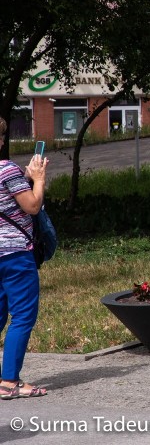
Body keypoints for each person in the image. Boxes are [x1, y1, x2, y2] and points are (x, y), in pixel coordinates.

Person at [0, 118, 49, 399]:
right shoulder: (6, 170)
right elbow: (31, 205)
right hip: (15, 255)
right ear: (1, 141)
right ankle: (9, 383)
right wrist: (38, 180)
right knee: (22, 316)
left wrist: (26, 180)